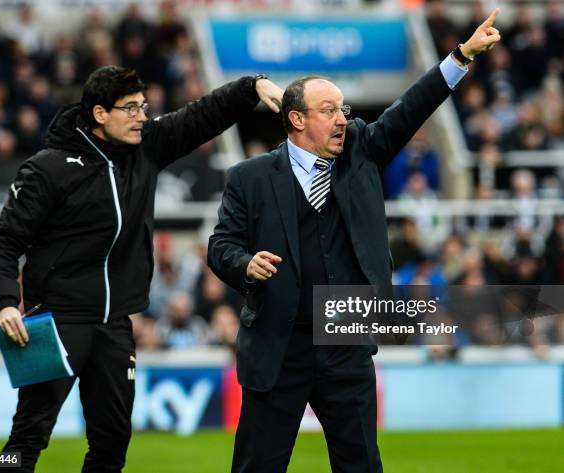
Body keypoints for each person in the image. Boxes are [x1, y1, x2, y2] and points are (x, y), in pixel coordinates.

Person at [208, 10, 501, 473]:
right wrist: (244, 264)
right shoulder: (250, 178)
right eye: (329, 111)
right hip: (279, 346)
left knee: (362, 464)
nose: (343, 119)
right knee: (256, 466)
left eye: (344, 109)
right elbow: (220, 245)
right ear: (297, 119)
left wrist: (461, 56)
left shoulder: (362, 149)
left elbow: (411, 107)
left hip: (347, 336)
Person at [0, 65, 283, 472]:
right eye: (131, 108)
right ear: (100, 114)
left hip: (115, 325)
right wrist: (4, 303)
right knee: (28, 437)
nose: (143, 116)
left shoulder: (147, 147)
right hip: (53, 321)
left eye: (144, 106)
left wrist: (252, 85)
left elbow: (202, 114)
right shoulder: (47, 168)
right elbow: (3, 240)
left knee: (112, 443)